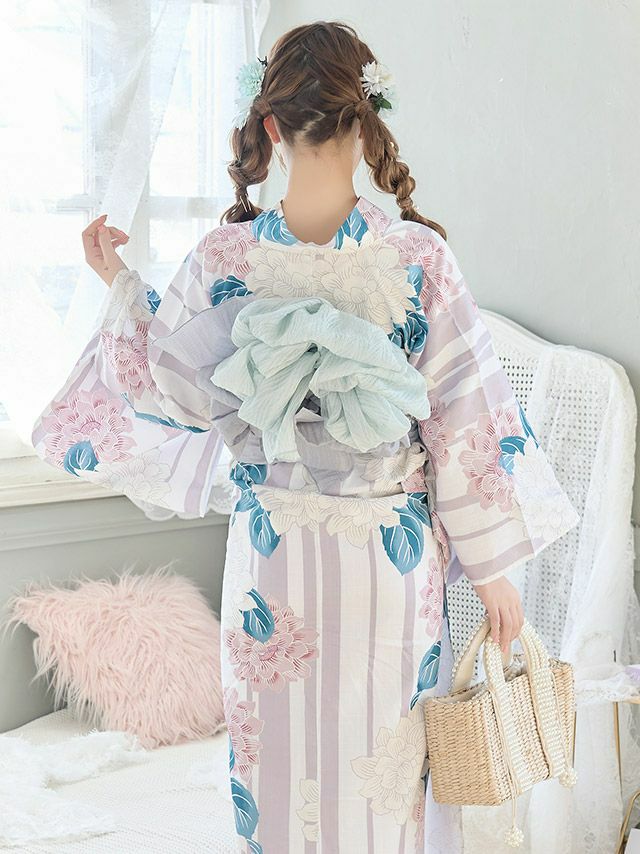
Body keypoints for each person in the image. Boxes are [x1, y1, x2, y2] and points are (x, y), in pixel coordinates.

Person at [31, 20, 580, 854]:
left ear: (271, 127)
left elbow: (166, 384)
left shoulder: (225, 257)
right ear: (365, 124)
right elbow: (465, 419)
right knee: (384, 781)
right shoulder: (417, 256)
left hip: (273, 551)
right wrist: (494, 571)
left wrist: (119, 285)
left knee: (277, 768)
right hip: (386, 558)